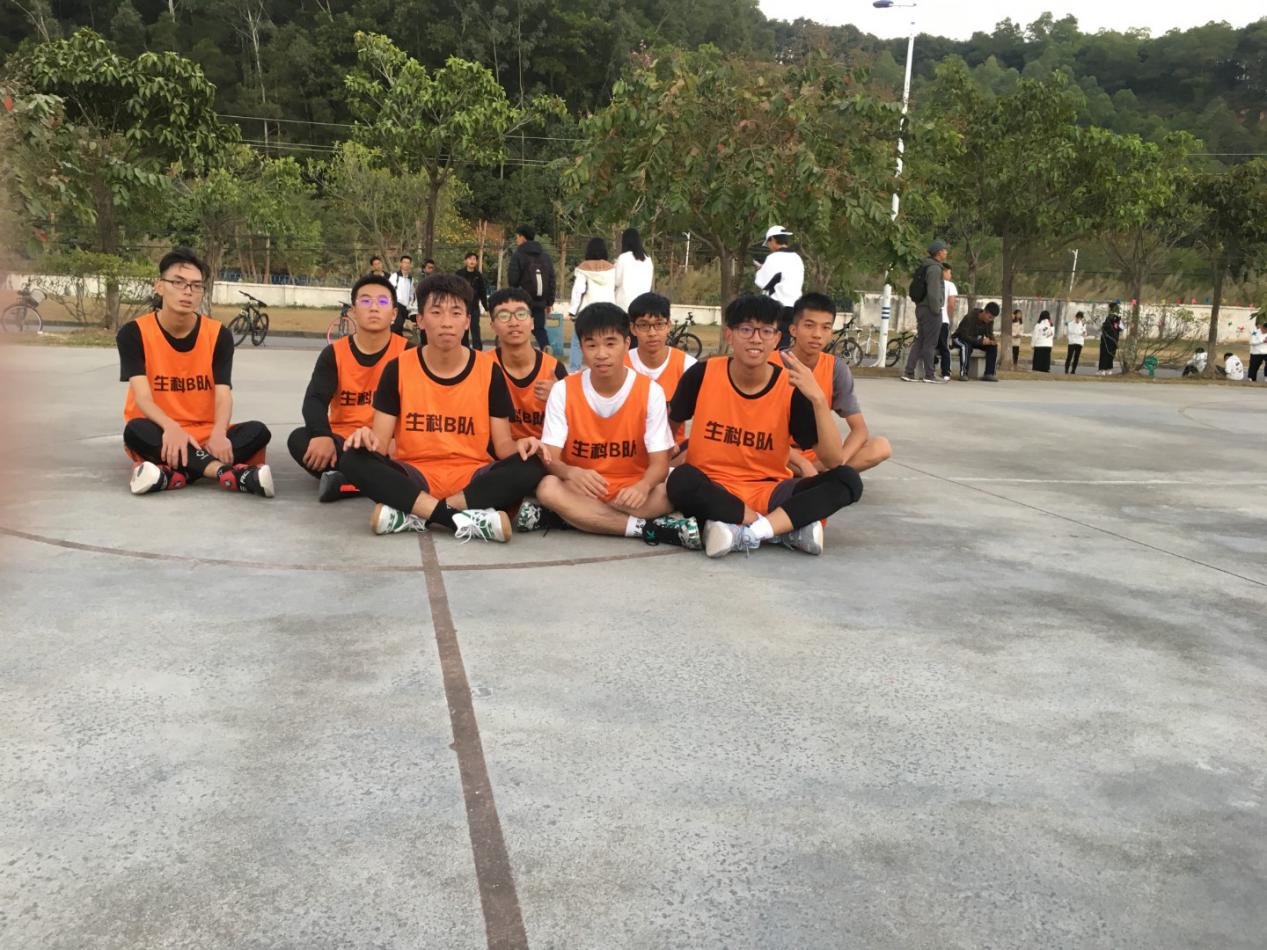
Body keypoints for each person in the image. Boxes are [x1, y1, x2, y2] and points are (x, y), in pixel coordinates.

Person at [336, 274, 548, 541]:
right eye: (436, 312)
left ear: (467, 321)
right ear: (420, 320)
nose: (446, 322)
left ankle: (416, 513)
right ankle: (457, 519)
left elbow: (503, 445)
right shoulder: (398, 368)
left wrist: (524, 445)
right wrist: (364, 438)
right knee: (352, 458)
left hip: (472, 476)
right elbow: (379, 443)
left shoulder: (488, 370)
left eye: (456, 313)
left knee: (534, 463)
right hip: (415, 474)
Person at [666, 294, 865, 559]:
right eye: (746, 329)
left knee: (847, 480)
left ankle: (750, 531)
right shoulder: (702, 375)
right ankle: (782, 529)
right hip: (714, 486)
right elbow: (669, 427)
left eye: (766, 331)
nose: (756, 339)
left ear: (777, 338)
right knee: (680, 480)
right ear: (729, 334)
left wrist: (818, 398)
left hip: (770, 490)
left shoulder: (791, 388)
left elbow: (833, 460)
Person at [524, 302, 701, 548]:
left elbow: (660, 465)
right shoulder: (563, 390)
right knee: (547, 487)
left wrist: (643, 486)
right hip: (583, 486)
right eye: (591, 345)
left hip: (632, 487)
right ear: (581, 347)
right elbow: (551, 459)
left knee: (668, 491)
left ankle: (573, 517)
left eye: (610, 343)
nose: (601, 354)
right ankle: (645, 529)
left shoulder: (650, 391)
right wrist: (571, 472)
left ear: (627, 344)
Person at [120, 247, 273, 496]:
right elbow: (143, 398)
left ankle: (171, 475)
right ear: (159, 286)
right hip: (160, 429)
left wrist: (219, 433)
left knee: (258, 431)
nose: (188, 291)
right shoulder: (133, 333)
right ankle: (225, 473)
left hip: (205, 432)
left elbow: (223, 394)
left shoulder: (218, 334)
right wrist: (171, 428)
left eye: (196, 285)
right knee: (136, 430)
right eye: (178, 282)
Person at [288, 274, 409, 501]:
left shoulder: (408, 353)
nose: (374, 307)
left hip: (387, 442)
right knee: (299, 439)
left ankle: (346, 482)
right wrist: (322, 435)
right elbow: (315, 400)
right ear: (353, 311)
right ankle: (369, 481)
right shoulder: (334, 353)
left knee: (411, 452)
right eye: (365, 301)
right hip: (343, 441)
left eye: (382, 301)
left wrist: (400, 440)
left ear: (394, 314)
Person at [781, 293, 892, 474]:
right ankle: (811, 475)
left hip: (819, 456)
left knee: (881, 446)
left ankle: (820, 474)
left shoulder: (835, 368)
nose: (817, 335)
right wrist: (802, 464)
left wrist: (836, 463)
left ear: (831, 333)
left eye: (825, 327)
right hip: (780, 454)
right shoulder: (771, 364)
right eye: (809, 326)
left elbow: (859, 429)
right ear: (793, 330)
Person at [489, 288, 567, 441]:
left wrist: (560, 398)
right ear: (493, 326)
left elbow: (574, 421)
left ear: (532, 322)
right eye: (503, 316)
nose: (513, 322)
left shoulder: (553, 369)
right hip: (497, 451)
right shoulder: (483, 366)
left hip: (544, 450)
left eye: (521, 314)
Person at [626, 292, 696, 445]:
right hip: (629, 449)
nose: (652, 333)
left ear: (668, 325)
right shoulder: (620, 365)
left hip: (673, 449)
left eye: (659, 324)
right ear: (633, 328)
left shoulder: (689, 367)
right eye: (643, 325)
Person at [566, 237, 616, 373]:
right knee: (607, 341)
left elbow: (578, 290)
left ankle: (574, 371)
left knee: (578, 341)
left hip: (588, 311)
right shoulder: (612, 269)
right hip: (609, 311)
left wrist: (572, 311)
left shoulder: (583, 269)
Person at [902, 239, 949, 383]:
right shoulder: (935, 269)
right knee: (930, 343)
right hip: (930, 309)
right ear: (939, 252)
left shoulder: (926, 265)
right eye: (944, 250)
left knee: (920, 341)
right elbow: (933, 292)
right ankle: (929, 374)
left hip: (921, 308)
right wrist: (936, 309)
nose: (946, 253)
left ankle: (909, 372)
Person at [753, 225, 804, 348]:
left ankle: (772, 360)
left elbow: (762, 282)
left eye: (768, 243)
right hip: (793, 306)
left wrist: (760, 270)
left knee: (769, 339)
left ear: (772, 239)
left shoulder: (773, 258)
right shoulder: (797, 258)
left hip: (776, 306)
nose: (769, 246)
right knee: (784, 341)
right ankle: (781, 360)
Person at [508, 225, 556, 351]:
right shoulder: (545, 256)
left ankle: (523, 351)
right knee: (539, 328)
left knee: (519, 326)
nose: (516, 240)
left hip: (522, 299)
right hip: (540, 299)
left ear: (522, 237)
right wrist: (549, 302)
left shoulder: (518, 254)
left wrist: (512, 296)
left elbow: (513, 279)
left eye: (517, 237)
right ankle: (545, 346)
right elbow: (551, 279)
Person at [951, 305, 1000, 382]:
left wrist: (992, 341)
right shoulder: (970, 317)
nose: (991, 320)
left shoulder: (990, 321)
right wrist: (981, 341)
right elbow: (964, 336)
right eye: (990, 317)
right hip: (960, 338)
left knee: (993, 347)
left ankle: (989, 374)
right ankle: (964, 373)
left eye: (993, 318)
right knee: (966, 346)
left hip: (975, 341)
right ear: (984, 312)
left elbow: (989, 334)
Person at [614, 227, 654, 313]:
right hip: (642, 303)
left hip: (624, 303)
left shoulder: (623, 258)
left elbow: (616, 281)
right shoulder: (648, 259)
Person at [456, 251, 490, 351]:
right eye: (470, 259)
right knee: (463, 329)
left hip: (474, 307)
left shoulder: (478, 276)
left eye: (474, 259)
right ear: (465, 261)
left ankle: (478, 350)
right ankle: (464, 349)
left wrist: (486, 307)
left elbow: (482, 292)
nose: (472, 261)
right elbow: (454, 289)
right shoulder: (459, 274)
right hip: (462, 306)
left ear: (476, 262)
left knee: (475, 328)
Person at [937, 263, 957, 381]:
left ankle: (929, 369)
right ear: (944, 272)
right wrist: (948, 317)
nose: (950, 275)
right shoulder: (950, 285)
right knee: (944, 347)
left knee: (931, 345)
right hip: (943, 320)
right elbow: (951, 304)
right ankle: (946, 372)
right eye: (949, 272)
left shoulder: (933, 284)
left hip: (931, 320)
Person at [388, 255, 416, 336]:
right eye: (404, 262)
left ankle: (397, 340)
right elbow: (389, 290)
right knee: (397, 325)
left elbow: (411, 294)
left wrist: (410, 305)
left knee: (400, 327)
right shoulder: (395, 276)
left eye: (408, 263)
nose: (406, 265)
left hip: (405, 307)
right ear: (401, 264)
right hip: (396, 304)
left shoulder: (411, 279)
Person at [1098, 303, 1123, 375]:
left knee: (1106, 353)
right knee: (1110, 354)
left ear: (1110, 309)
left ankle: (1103, 369)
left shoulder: (1111, 318)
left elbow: (1107, 327)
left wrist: (1103, 326)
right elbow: (1119, 328)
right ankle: (1108, 369)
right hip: (1113, 339)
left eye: (1108, 308)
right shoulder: (1116, 318)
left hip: (1108, 339)